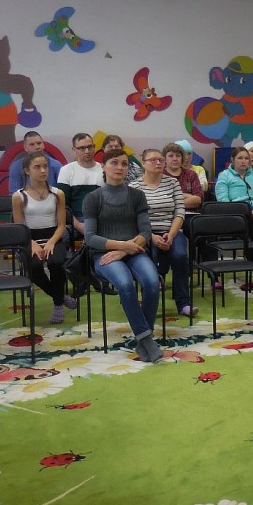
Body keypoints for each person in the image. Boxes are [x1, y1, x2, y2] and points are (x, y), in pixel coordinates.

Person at [83, 148, 162, 363]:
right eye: (114, 163)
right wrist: (121, 246)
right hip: (105, 255)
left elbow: (145, 232)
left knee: (152, 282)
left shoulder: (137, 195)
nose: (119, 167)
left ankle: (144, 337)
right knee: (125, 284)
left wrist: (125, 249)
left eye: (124, 164)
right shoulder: (93, 198)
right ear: (103, 166)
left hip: (134, 251)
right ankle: (146, 339)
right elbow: (90, 238)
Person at [12, 151, 77, 323]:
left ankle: (57, 305)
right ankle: (60, 297)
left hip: (53, 236)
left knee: (56, 263)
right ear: (27, 170)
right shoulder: (19, 196)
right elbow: (20, 227)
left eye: (45, 167)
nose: (43, 171)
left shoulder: (57, 194)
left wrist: (51, 242)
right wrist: (32, 243)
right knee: (33, 266)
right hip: (29, 238)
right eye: (37, 167)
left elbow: (62, 225)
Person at [130, 149, 195, 317]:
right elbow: (132, 217)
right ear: (143, 163)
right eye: (153, 160)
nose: (158, 163)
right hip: (145, 233)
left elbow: (180, 212)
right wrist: (151, 236)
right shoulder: (134, 187)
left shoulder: (172, 183)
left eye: (160, 160)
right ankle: (147, 301)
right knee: (148, 259)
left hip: (171, 230)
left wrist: (171, 235)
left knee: (180, 255)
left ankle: (184, 303)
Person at [214, 145, 253, 289]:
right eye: (240, 158)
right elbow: (223, 201)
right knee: (249, 243)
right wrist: (241, 211)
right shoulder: (225, 176)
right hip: (239, 217)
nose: (243, 161)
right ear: (232, 160)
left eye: (246, 158)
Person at [56, 132, 104, 235]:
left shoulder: (103, 170)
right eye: (82, 148)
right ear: (74, 150)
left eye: (90, 147)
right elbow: (62, 205)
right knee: (62, 237)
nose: (87, 151)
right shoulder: (66, 170)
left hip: (99, 219)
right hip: (74, 221)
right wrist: (78, 225)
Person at [163, 141, 205, 211]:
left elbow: (198, 199)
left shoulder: (191, 174)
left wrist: (171, 202)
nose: (175, 159)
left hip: (190, 214)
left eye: (178, 156)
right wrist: (188, 196)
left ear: (182, 158)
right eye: (171, 156)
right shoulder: (159, 175)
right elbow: (159, 200)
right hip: (166, 214)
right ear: (164, 159)